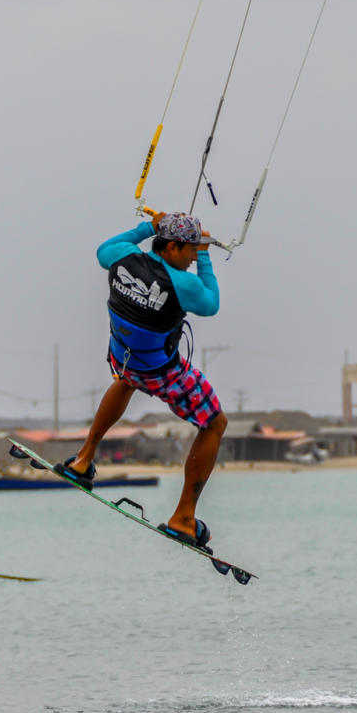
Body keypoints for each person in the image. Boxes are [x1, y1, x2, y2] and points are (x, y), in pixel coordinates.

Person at [56, 211, 228, 554]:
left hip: (124, 359)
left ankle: (82, 460)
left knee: (125, 381)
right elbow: (211, 304)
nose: (194, 257)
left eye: (198, 252)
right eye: (191, 250)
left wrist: (149, 226)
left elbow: (105, 248)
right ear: (173, 247)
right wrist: (208, 253)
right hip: (162, 371)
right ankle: (184, 517)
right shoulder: (185, 284)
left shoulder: (120, 258)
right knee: (215, 423)